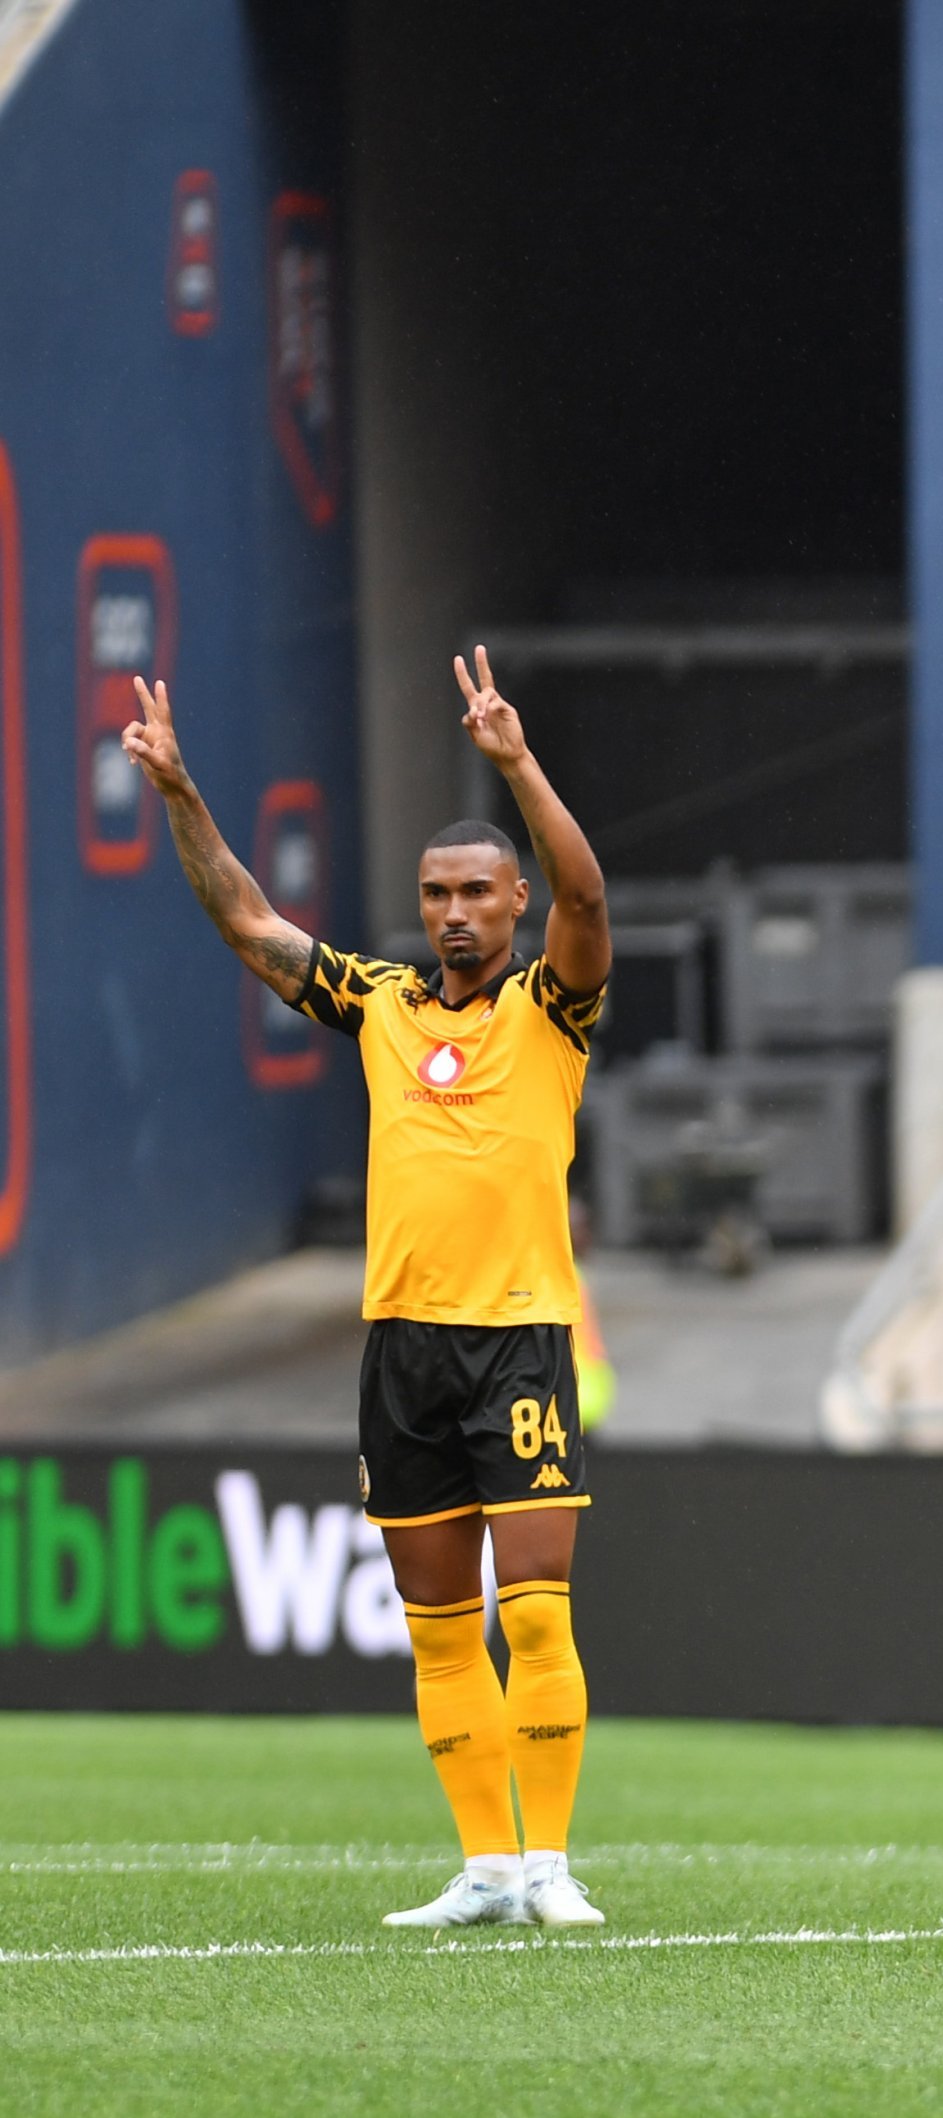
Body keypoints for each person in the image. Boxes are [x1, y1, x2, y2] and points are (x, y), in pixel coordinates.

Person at [124, 654, 610, 1930]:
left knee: (538, 1612)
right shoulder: (383, 1005)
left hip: (516, 1340)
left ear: (512, 903)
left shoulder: (554, 1011)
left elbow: (588, 888)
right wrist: (181, 791)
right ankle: (487, 1868)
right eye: (436, 893)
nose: (455, 913)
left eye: (476, 893)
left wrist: (513, 759)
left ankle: (552, 1864)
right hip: (400, 1348)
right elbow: (243, 918)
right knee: (442, 1628)